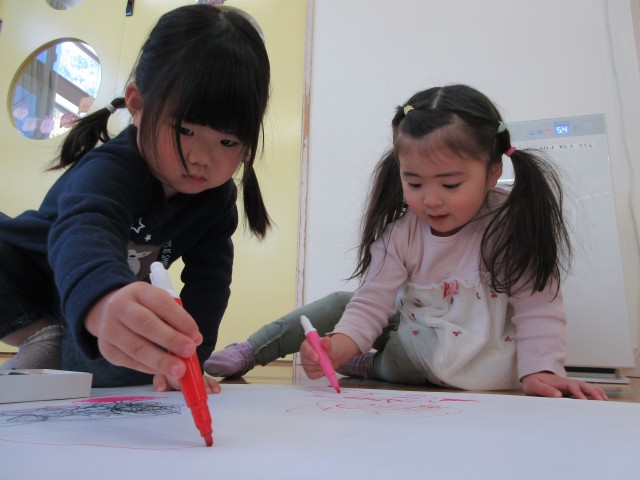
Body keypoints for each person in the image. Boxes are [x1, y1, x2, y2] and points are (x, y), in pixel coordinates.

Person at [205, 84, 608, 400]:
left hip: (454, 356)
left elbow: (538, 305)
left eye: (450, 184)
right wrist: (340, 345)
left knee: (404, 351)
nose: (431, 200)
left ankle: (370, 365)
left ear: (492, 172)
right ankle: (254, 350)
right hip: (417, 326)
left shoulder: (511, 224)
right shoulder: (402, 233)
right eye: (414, 183)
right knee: (342, 304)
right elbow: (372, 301)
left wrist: (542, 371)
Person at [0, 4, 271, 393]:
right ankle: (43, 337)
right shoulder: (111, 167)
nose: (202, 158)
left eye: (228, 142)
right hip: (37, 283)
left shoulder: (215, 200)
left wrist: (189, 362)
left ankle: (63, 346)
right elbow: (86, 229)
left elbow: (209, 285)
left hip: (94, 313)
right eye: (185, 131)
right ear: (137, 105)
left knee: (137, 360)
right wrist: (103, 300)